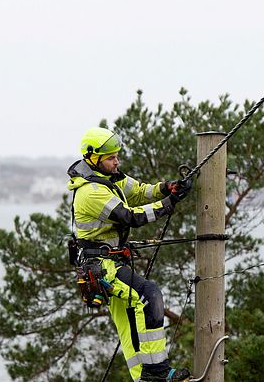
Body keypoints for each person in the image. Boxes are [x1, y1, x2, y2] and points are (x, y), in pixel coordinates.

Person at [67, 126, 192, 382]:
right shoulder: (90, 192)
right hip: (102, 266)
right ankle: (156, 371)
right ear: (93, 158)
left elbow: (140, 190)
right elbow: (130, 216)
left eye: (117, 156)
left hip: (110, 263)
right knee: (149, 296)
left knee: (132, 328)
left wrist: (167, 188)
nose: (117, 162)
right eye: (111, 157)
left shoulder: (109, 178)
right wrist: (170, 203)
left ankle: (143, 378)